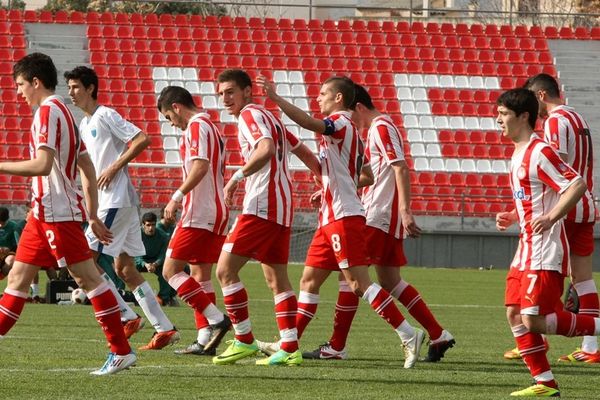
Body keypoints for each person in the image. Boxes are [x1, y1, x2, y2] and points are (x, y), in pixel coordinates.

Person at [256, 75, 425, 369]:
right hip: (330, 216)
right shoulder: (347, 133)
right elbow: (358, 174)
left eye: (323, 93)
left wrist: (277, 100)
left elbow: (311, 124)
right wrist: (325, 179)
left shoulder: (342, 123)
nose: (317, 98)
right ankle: (288, 342)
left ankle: (409, 334)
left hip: (344, 216)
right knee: (309, 279)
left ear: (338, 99)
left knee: (359, 284)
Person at [298, 84, 455, 361]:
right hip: (380, 214)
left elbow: (400, 166)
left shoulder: (381, 126)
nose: (352, 124)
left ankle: (337, 345)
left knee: (352, 280)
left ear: (357, 107)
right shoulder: (373, 131)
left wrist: (406, 210)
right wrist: (328, 188)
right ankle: (438, 333)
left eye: (353, 116)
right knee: (390, 280)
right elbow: (368, 175)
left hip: (375, 213)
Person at [0, 52, 134, 374]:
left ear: (36, 82)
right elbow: (86, 167)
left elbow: (43, 165)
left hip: (54, 212)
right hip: (43, 213)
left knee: (87, 278)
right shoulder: (66, 113)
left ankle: (121, 350)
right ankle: (122, 347)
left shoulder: (47, 112)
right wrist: (91, 214)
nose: (18, 92)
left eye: (20, 85)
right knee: (17, 278)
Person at [494, 88, 600, 397]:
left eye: (503, 115)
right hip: (524, 250)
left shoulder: (540, 151)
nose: (498, 120)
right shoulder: (518, 153)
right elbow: (534, 198)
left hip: (544, 251)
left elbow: (576, 184)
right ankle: (545, 383)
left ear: (524, 116)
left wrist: (552, 217)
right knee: (514, 314)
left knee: (533, 319)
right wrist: (514, 216)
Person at [65, 66, 179, 350]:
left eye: (76, 86)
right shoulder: (83, 125)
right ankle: (165, 328)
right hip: (118, 202)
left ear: (91, 88)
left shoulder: (105, 115)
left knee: (82, 259)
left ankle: (126, 315)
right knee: (125, 268)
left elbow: (142, 138)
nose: (71, 92)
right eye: (69, 87)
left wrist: (115, 167)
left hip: (115, 200)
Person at [212, 69, 321, 366]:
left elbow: (266, 149)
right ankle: (289, 346)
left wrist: (235, 177)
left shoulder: (249, 115)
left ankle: (244, 339)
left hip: (261, 205)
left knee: (224, 270)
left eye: (231, 91)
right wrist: (325, 182)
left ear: (247, 91)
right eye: (221, 93)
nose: (225, 99)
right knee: (277, 280)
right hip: (283, 208)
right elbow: (306, 154)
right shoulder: (272, 119)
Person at [523, 73, 599, 364]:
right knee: (583, 279)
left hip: (565, 208)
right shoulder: (578, 117)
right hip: (586, 203)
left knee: (548, 273)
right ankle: (591, 346)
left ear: (541, 96)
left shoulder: (554, 121)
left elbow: (556, 165)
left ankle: (535, 338)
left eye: (533, 99)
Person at [157, 86, 234, 357]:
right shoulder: (211, 126)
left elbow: (200, 166)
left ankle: (216, 319)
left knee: (170, 271)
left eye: (169, 117)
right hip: (216, 211)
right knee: (199, 274)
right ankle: (204, 340)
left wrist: (176, 196)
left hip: (199, 211)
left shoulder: (196, 126)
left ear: (176, 107)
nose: (172, 123)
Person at [134, 212, 176, 307]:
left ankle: (164, 299)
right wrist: (145, 264)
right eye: (148, 225)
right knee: (129, 269)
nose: (151, 228)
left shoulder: (163, 236)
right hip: (141, 261)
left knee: (169, 270)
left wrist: (155, 264)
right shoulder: (136, 235)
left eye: (153, 225)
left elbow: (163, 255)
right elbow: (135, 255)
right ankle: (136, 297)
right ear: (143, 225)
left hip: (156, 262)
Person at [0, 207, 20, 282]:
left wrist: (8, 249)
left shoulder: (14, 227)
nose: (0, 225)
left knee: (11, 260)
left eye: (3, 222)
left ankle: (1, 276)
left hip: (8, 254)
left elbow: (18, 245)